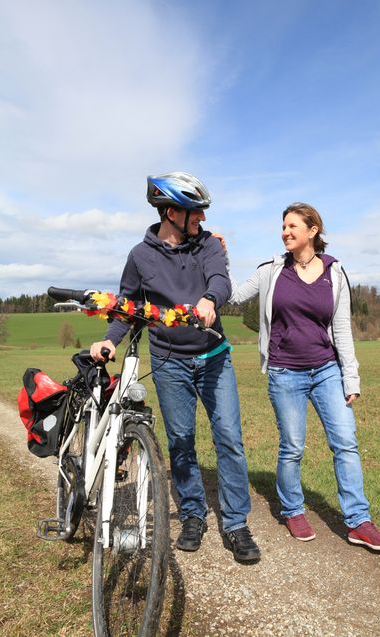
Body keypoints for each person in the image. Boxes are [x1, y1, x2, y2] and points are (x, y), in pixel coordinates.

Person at [90, 172, 260, 563]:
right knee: (181, 442)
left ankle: (235, 524)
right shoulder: (140, 256)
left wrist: (209, 299)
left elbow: (221, 280)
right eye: (194, 213)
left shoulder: (208, 246)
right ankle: (193, 514)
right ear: (171, 212)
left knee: (229, 439)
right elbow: (127, 308)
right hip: (169, 363)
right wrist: (108, 340)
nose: (200, 219)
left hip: (214, 357)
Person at [227, 202, 380, 551]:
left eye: (292, 226)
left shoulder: (334, 272)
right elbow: (230, 296)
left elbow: (342, 329)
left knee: (346, 443)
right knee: (292, 447)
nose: (285, 232)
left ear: (312, 231)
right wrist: (219, 256)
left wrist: (351, 378)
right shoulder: (272, 270)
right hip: (285, 371)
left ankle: (359, 522)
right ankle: (292, 509)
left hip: (326, 370)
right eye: (283, 226)